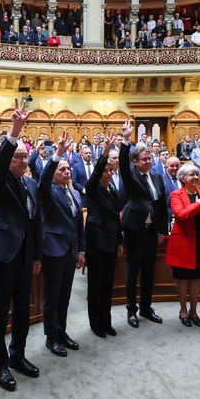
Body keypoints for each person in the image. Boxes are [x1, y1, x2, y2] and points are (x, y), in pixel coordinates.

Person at [0, 101, 41, 391]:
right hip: (3, 256)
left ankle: (17, 355)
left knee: (23, 310)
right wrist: (14, 132)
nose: (23, 161)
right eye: (17, 157)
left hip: (23, 257)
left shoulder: (29, 185)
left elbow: (34, 222)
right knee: (0, 314)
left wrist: (35, 256)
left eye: (25, 158)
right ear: (8, 161)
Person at [38, 130, 85, 356]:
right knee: (52, 295)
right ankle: (51, 337)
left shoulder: (74, 194)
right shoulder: (48, 191)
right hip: (53, 250)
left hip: (70, 250)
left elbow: (78, 226)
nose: (67, 172)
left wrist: (81, 250)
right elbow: (44, 180)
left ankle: (62, 331)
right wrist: (57, 154)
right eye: (62, 169)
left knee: (65, 295)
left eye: (68, 169)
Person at [119, 120, 168, 328]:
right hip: (135, 230)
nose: (148, 161)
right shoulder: (130, 175)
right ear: (136, 162)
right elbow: (122, 162)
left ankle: (146, 307)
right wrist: (126, 140)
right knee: (133, 272)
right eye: (144, 159)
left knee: (149, 272)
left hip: (150, 231)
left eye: (149, 158)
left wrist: (162, 231)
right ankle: (132, 310)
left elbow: (161, 205)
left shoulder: (156, 177)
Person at [165, 164, 200, 328]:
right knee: (183, 280)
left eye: (196, 174)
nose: (195, 177)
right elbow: (181, 215)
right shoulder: (176, 195)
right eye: (190, 175)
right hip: (184, 244)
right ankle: (183, 311)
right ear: (182, 179)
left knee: (196, 280)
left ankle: (194, 312)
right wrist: (198, 205)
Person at [84, 134, 124, 338]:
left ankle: (106, 321)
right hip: (96, 242)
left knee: (108, 285)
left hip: (110, 242)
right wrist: (106, 152)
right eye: (105, 170)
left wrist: (119, 241)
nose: (108, 173)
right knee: (96, 285)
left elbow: (117, 219)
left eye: (110, 170)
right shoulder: (93, 189)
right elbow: (97, 170)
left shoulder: (114, 192)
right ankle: (96, 324)